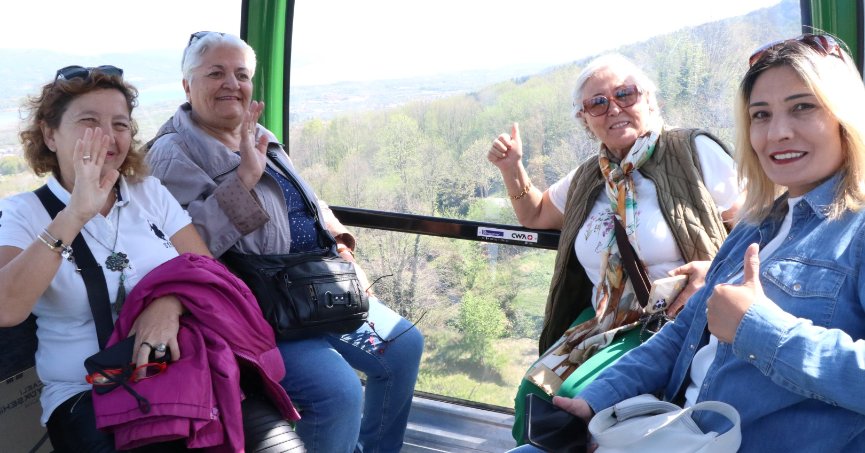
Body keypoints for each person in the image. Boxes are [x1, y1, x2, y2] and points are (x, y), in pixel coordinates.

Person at [514, 33, 865, 452]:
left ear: (844, 115)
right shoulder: (758, 225)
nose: (778, 133)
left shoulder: (855, 231)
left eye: (803, 107)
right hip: (679, 428)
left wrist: (758, 329)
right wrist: (595, 402)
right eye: (761, 114)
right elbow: (683, 333)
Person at [145, 31, 424, 453]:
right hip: (261, 309)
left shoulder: (258, 132)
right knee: (339, 394)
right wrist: (244, 179)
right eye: (216, 73)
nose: (231, 84)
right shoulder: (173, 153)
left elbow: (306, 199)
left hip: (315, 288)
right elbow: (185, 247)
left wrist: (342, 246)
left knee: (403, 346)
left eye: (241, 75)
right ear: (187, 85)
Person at [0, 66, 297, 451]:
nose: (107, 136)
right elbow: (6, 308)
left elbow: (206, 272)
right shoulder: (24, 213)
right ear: (49, 134)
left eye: (120, 124)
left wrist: (167, 304)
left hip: (182, 371)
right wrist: (74, 215)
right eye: (89, 121)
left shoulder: (149, 194)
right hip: (86, 391)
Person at [487, 53, 742, 444]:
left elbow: (759, 226)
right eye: (598, 103)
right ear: (585, 120)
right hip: (604, 319)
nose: (614, 108)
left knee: (571, 399)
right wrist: (511, 168)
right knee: (533, 391)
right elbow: (535, 214)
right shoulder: (589, 176)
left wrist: (713, 273)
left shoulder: (692, 152)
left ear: (650, 100)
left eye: (625, 94)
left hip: (673, 320)